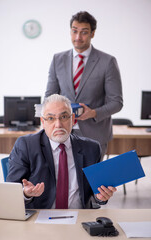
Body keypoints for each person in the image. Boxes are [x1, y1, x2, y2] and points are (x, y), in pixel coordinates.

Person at [7, 94, 116, 209]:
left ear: (73, 119)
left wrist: (101, 196)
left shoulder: (91, 148)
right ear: (43, 122)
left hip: (79, 217)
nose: (58, 125)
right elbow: (11, 191)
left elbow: (95, 193)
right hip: (40, 217)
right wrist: (26, 193)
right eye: (50, 118)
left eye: (64, 117)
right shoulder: (26, 145)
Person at [45, 11, 123, 160]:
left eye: (84, 32)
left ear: (93, 33)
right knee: (64, 177)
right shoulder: (58, 59)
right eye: (74, 31)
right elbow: (49, 97)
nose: (78, 37)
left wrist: (93, 113)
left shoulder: (107, 62)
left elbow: (116, 102)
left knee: (90, 180)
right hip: (62, 131)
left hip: (95, 134)